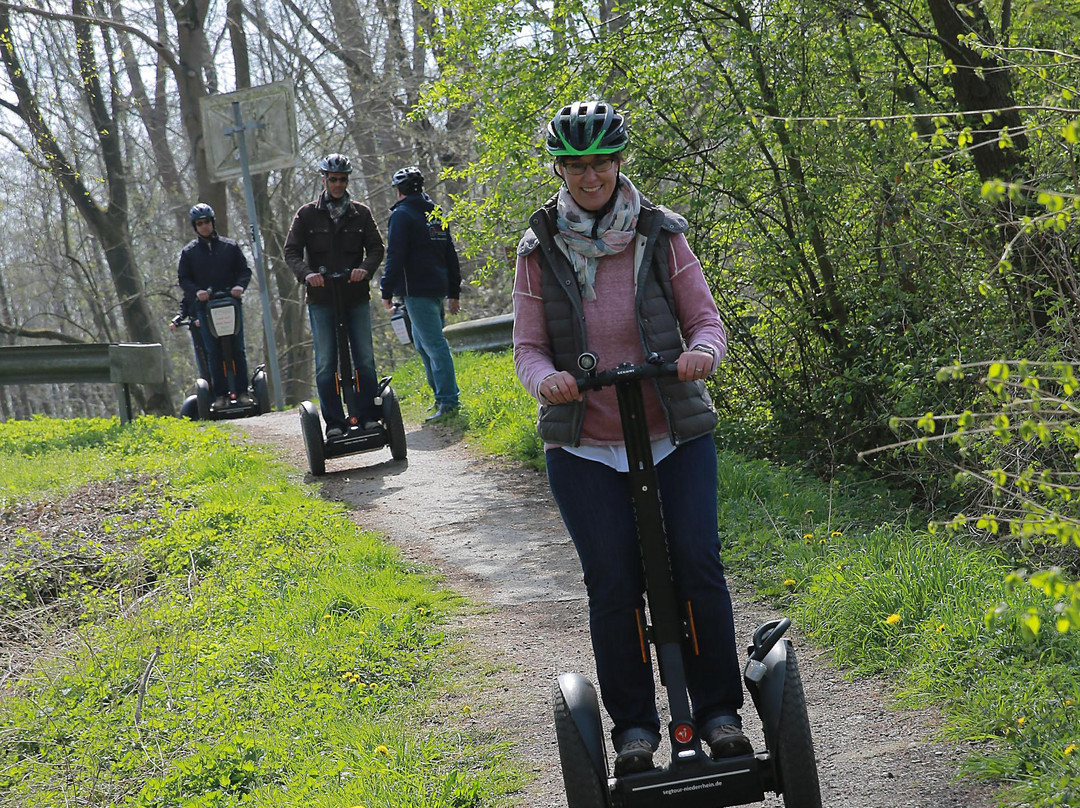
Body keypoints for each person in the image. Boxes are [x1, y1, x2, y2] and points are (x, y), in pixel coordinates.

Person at [512, 100, 751, 776]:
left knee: (696, 565)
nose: (591, 176)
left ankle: (719, 714)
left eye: (602, 162)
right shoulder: (538, 248)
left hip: (671, 432)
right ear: (560, 167)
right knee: (614, 584)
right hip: (584, 443)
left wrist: (702, 352)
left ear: (620, 162)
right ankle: (636, 729)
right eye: (578, 164)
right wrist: (549, 379)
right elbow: (527, 347)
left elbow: (705, 319)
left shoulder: (662, 233)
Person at [285, 153, 385, 439]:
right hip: (322, 298)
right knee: (326, 361)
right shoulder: (307, 214)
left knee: (364, 358)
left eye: (342, 180)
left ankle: (368, 417)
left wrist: (364, 269)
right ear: (324, 179)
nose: (338, 184)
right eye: (333, 179)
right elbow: (291, 251)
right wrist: (307, 274)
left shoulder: (361, 213)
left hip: (355, 296)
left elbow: (377, 248)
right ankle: (335, 423)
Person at [380, 166, 462, 422]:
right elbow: (451, 253)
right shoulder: (435, 213)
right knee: (423, 344)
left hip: (416, 290)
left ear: (399, 190)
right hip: (438, 287)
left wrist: (386, 290)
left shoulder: (402, 215)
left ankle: (449, 402)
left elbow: (394, 255)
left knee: (435, 345)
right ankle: (440, 397)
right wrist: (454, 291)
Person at [177, 203, 253, 408]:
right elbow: (184, 279)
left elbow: (245, 271)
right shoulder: (189, 253)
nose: (204, 226)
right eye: (199, 224)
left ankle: (243, 392)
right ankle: (220, 396)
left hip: (230, 304)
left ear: (213, 222)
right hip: (206, 308)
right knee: (214, 352)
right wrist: (197, 292)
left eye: (207, 222)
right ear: (195, 226)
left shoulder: (230, 247)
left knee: (238, 349)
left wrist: (239, 286)